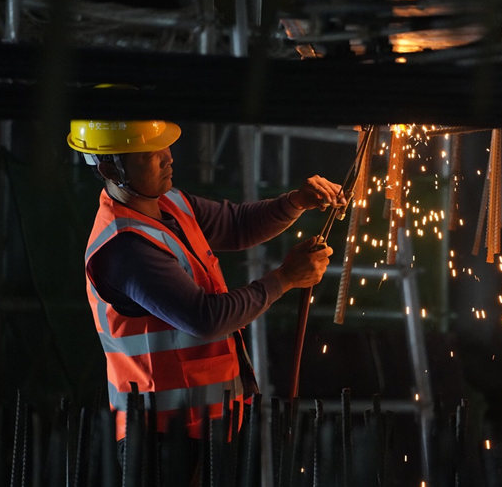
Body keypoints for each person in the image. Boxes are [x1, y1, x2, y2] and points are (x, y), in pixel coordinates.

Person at [67, 118, 344, 447]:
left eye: (165, 145)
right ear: (111, 170)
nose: (168, 157)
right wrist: (284, 278)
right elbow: (205, 318)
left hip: (209, 423)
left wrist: (295, 202)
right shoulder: (126, 247)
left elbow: (237, 225)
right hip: (162, 435)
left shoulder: (171, 204)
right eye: (148, 154)